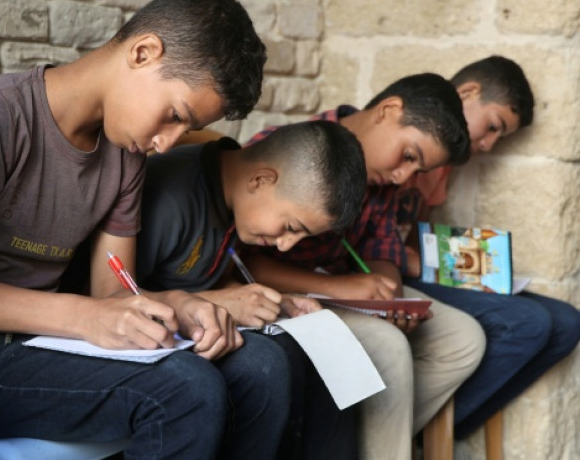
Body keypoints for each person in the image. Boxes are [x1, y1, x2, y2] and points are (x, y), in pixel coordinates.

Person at [0, 0, 285, 459]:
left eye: (184, 129)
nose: (167, 142)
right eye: (175, 116)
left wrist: (182, 304)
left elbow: (111, 292)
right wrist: (84, 318)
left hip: (39, 337)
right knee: (183, 391)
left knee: (261, 365)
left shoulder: (125, 156)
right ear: (143, 52)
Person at [241, 73, 487, 460]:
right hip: (289, 295)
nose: (404, 176)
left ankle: (356, 440)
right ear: (388, 111)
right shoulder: (297, 150)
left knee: (464, 338)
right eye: (409, 156)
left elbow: (382, 248)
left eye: (417, 171)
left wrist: (388, 292)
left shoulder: (383, 180)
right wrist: (346, 288)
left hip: (346, 291)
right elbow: (243, 263)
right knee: (388, 347)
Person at [136, 120, 368, 460]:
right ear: (261, 180)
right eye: (291, 228)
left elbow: (204, 277)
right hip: (145, 341)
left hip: (196, 327)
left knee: (322, 346)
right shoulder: (170, 197)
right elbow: (113, 297)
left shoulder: (232, 198)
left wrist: (274, 302)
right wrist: (217, 301)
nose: (287, 246)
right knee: (267, 362)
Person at [397, 55, 580, 438]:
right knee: (526, 323)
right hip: (383, 273)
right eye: (493, 126)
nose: (489, 143)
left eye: (501, 137)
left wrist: (462, 264)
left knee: (566, 322)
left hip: (408, 268)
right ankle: (408, 433)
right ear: (467, 92)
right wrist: (412, 262)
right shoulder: (404, 136)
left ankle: (444, 428)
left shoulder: (444, 165)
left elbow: (414, 234)